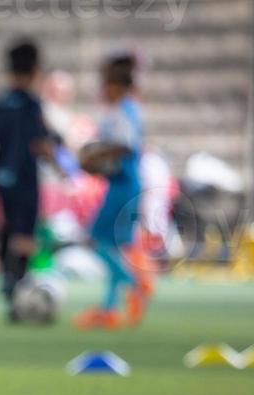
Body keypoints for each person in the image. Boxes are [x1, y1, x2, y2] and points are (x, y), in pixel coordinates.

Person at [0, 40, 56, 320]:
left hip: (1, 177)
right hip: (25, 177)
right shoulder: (33, 104)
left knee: (7, 228)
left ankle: (7, 279)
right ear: (35, 70)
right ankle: (17, 294)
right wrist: (61, 168)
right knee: (24, 236)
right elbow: (41, 144)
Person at [74, 53, 148, 330]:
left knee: (94, 240)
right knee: (114, 247)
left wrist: (96, 154)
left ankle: (135, 284)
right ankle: (108, 308)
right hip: (121, 184)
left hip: (123, 185)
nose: (102, 89)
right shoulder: (123, 110)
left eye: (106, 83)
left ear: (118, 86)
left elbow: (126, 146)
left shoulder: (124, 111)